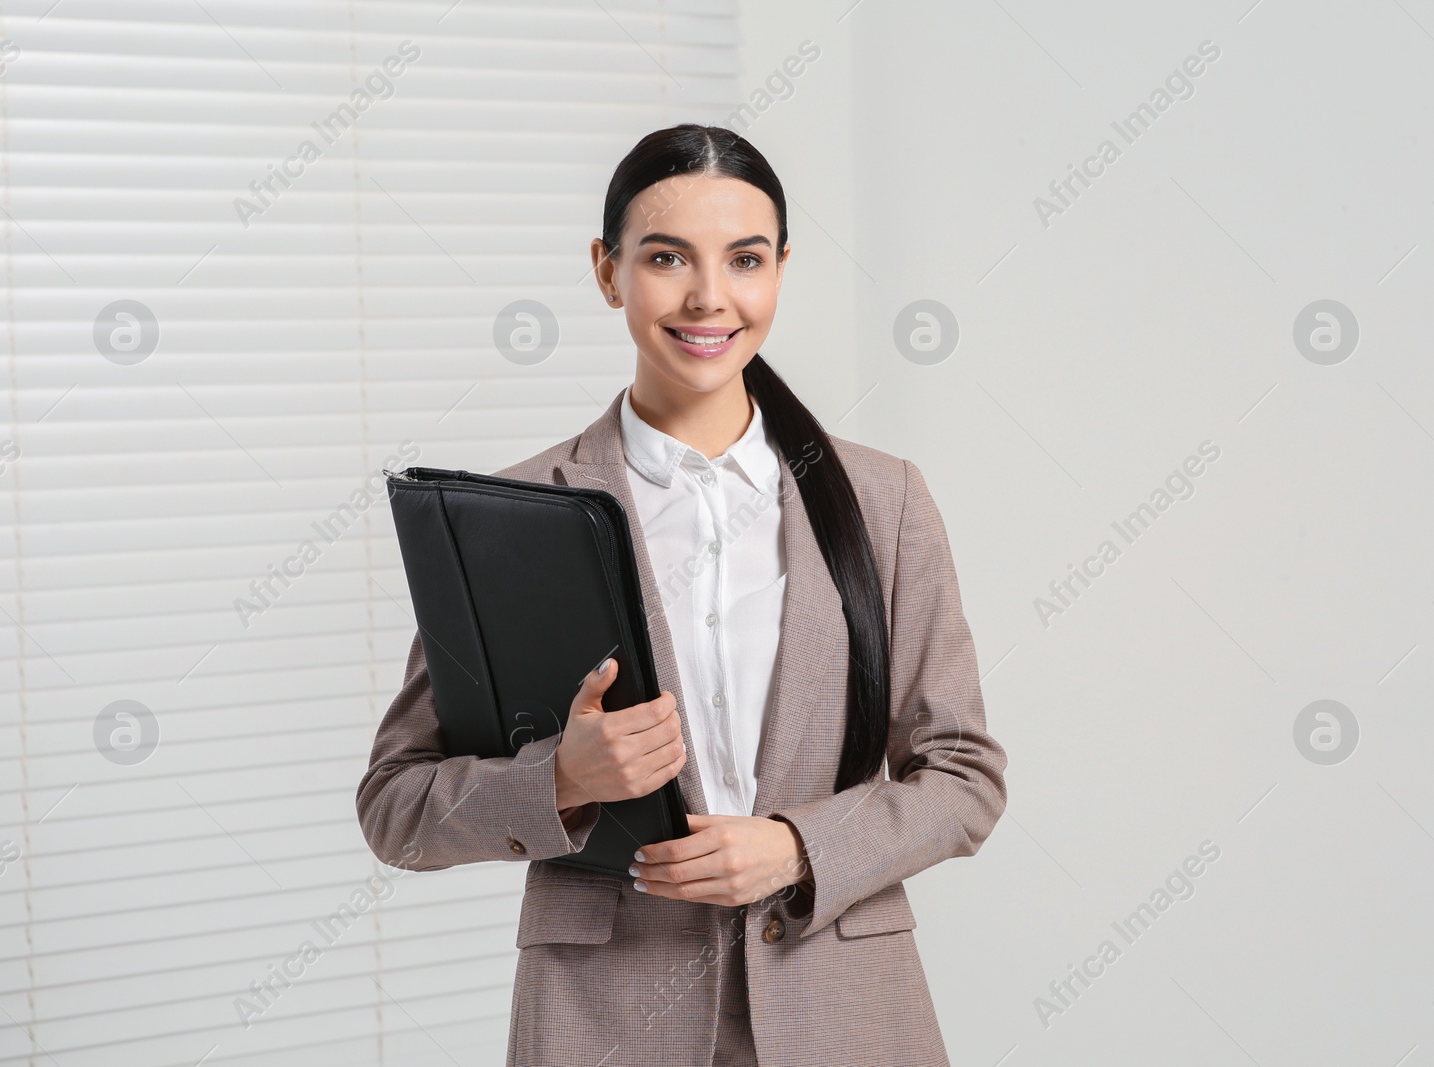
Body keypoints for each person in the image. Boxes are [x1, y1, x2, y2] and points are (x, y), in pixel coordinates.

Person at [356, 123, 1008, 1067]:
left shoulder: (882, 501)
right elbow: (396, 807)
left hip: (846, 1014)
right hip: (604, 1020)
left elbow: (963, 775)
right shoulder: (510, 516)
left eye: (745, 259)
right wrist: (563, 778)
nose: (710, 297)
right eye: (667, 257)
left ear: (780, 269)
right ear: (607, 270)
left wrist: (796, 846)